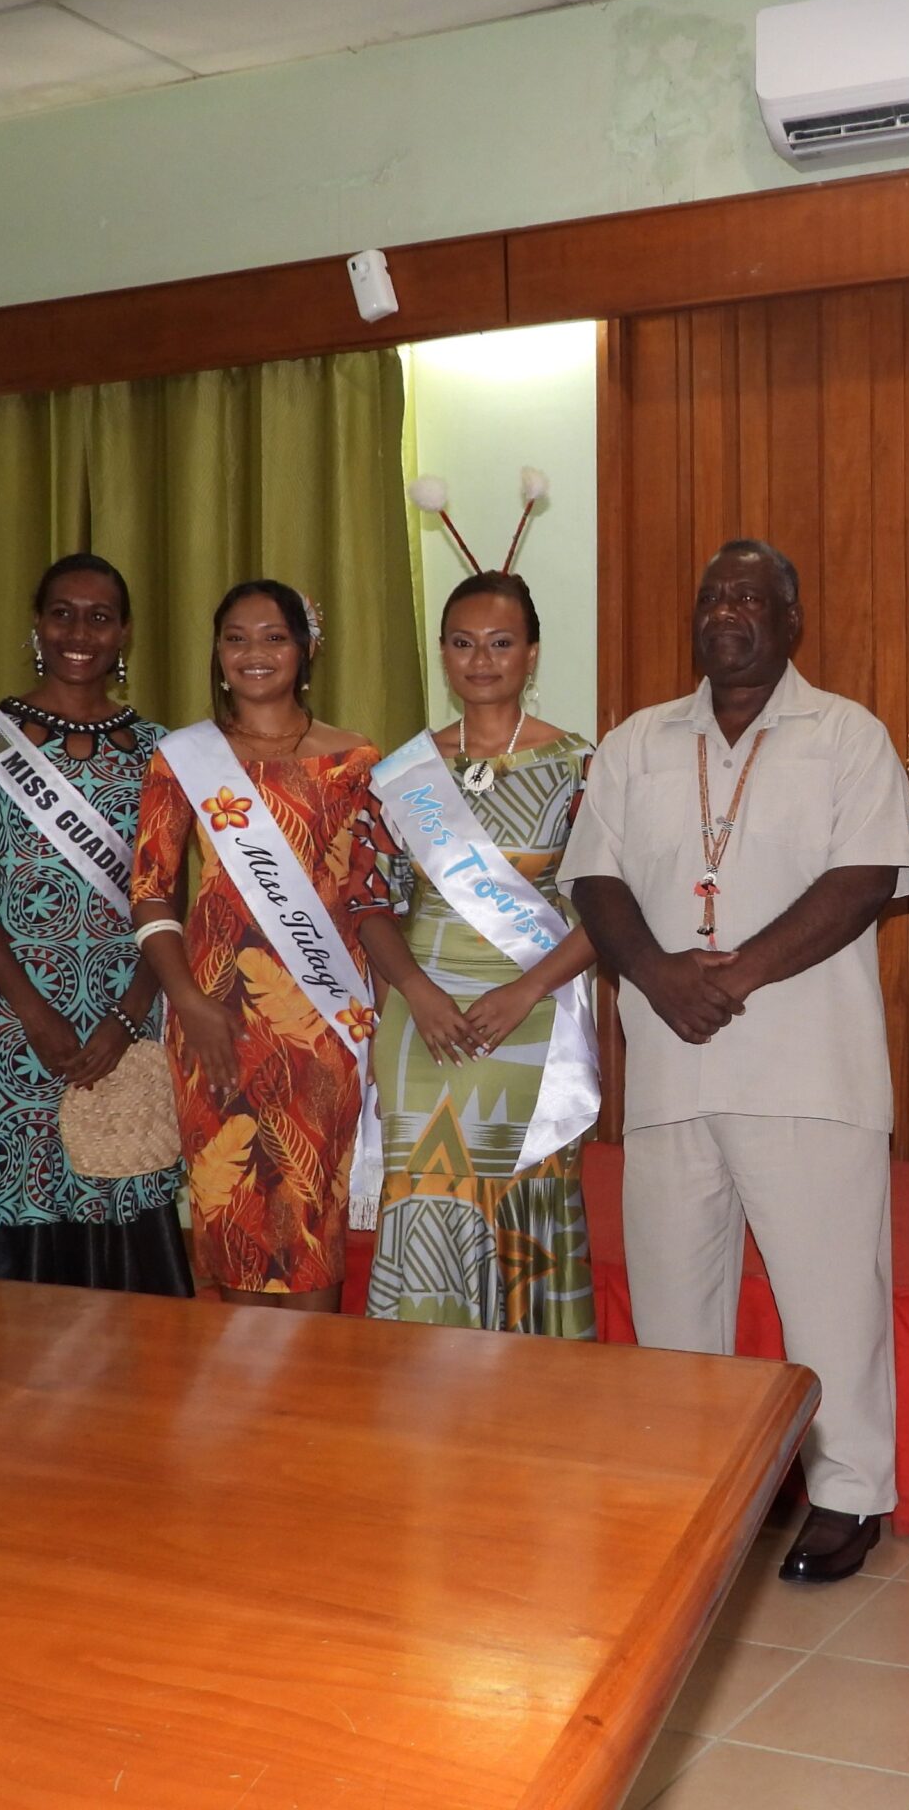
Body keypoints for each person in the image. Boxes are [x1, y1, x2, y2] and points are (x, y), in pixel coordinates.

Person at [566, 539, 909, 1584]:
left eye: (750, 597)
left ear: (789, 618)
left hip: (808, 1068)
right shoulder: (637, 742)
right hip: (672, 1069)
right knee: (677, 1304)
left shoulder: (845, 734)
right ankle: (694, 1484)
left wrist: (733, 976)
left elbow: (865, 880)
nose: (727, 611)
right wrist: (660, 978)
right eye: (712, 595)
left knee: (830, 1300)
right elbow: (595, 880)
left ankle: (848, 1495)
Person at [0, 553, 191, 1294]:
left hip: (127, 994)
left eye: (100, 616)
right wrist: (33, 1012)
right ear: (36, 627)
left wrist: (128, 1015)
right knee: (24, 1155)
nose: (80, 631)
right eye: (62, 613)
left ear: (125, 634)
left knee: (122, 1151)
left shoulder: (161, 751)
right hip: (14, 1003)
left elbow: (169, 896)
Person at [130, 579, 389, 1310]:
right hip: (215, 1020)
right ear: (216, 654)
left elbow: (373, 896)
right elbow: (151, 889)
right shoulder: (181, 758)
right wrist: (188, 1001)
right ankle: (242, 1409)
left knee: (312, 1219)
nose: (254, 653)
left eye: (273, 636)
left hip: (325, 1022)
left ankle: (313, 1404)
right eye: (236, 638)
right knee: (234, 1216)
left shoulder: (355, 760)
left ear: (305, 651)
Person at [357, 571, 600, 1333]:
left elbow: (610, 909)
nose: (482, 660)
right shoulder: (400, 775)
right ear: (442, 654)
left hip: (534, 1013)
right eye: (463, 644)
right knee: (427, 1199)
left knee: (526, 1201)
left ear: (531, 654)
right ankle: (425, 1417)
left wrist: (525, 992)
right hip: (420, 1020)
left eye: (501, 644)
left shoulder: (581, 765)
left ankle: (527, 1416)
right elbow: (368, 901)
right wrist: (417, 994)